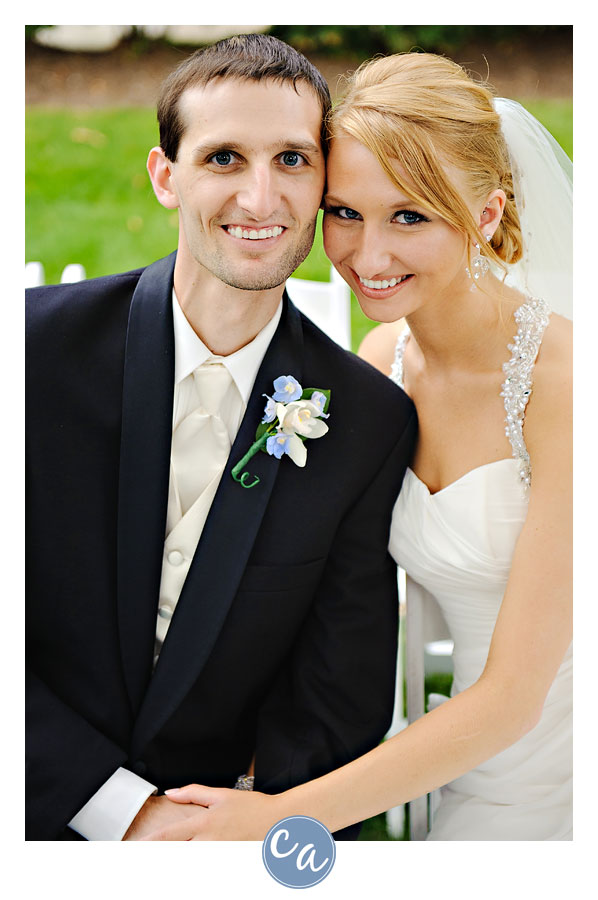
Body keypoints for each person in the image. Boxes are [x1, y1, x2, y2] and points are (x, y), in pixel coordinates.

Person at [151, 51, 572, 841]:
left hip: (556, 766)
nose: (367, 258)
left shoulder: (565, 388)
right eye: (345, 212)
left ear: (485, 216)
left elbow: (517, 694)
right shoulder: (380, 368)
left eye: (410, 217)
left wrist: (279, 817)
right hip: (446, 760)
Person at [25, 35, 418, 841]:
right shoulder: (29, 356)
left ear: (323, 184)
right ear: (166, 177)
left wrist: (231, 821)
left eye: (292, 160)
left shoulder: (366, 420)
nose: (260, 197)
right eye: (225, 158)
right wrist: (124, 814)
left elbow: (340, 690)